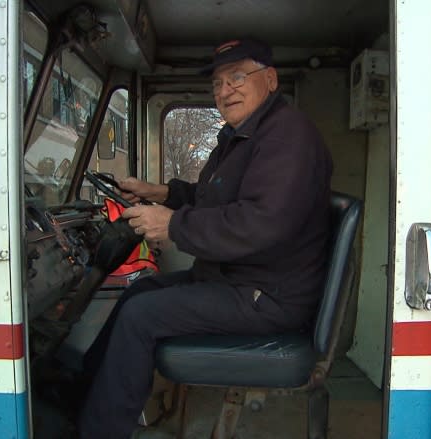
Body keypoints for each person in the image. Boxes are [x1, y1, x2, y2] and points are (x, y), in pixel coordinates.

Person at [77, 38, 333, 438]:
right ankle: (80, 391)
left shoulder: (288, 138)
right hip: (234, 278)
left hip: (267, 295)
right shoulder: (241, 136)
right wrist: (161, 194)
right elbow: (213, 197)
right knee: (137, 295)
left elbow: (260, 222)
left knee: (140, 317)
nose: (224, 90)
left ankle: (100, 430)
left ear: (270, 79)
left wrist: (173, 226)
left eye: (236, 77)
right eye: (216, 83)